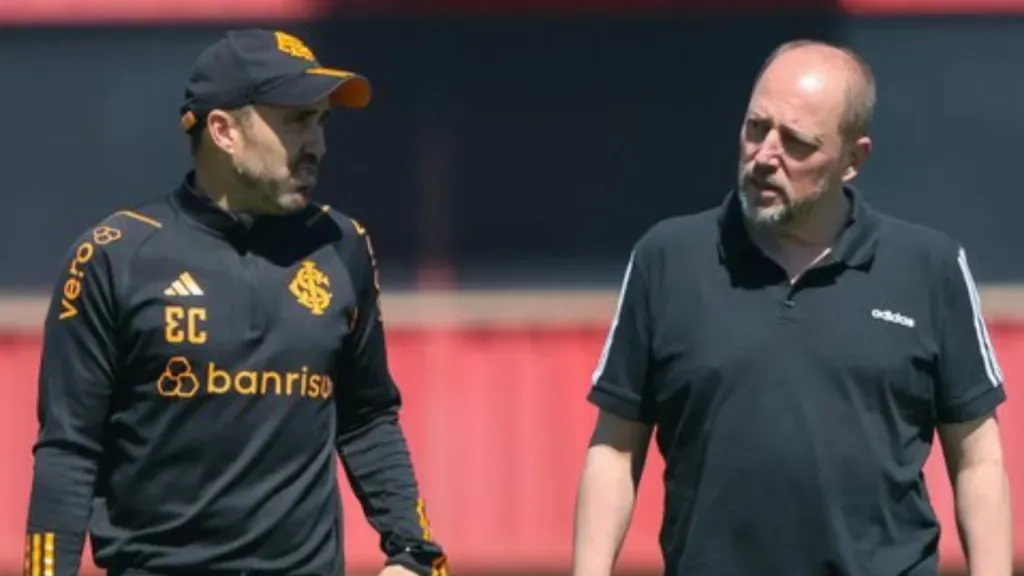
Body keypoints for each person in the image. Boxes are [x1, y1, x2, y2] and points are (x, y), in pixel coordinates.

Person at [572, 39, 1012, 576]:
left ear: (853, 159)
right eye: (756, 127)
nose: (765, 156)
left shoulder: (930, 268)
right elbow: (615, 449)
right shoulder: (666, 259)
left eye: (797, 143)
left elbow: (978, 459)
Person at [24, 28, 448, 576]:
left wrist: (416, 553)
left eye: (322, 122)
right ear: (223, 130)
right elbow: (69, 450)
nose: (317, 145)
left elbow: (367, 417)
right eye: (297, 121)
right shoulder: (114, 256)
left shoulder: (343, 246)